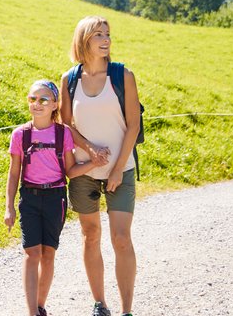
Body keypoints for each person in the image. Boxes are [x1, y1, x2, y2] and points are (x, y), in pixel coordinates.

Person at [4, 80, 107, 316]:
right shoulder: (20, 134)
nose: (37, 104)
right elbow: (13, 173)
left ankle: (40, 306)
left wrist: (93, 162)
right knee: (32, 254)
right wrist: (9, 207)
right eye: (32, 99)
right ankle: (32, 312)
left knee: (48, 254)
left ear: (54, 105)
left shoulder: (63, 133)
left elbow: (70, 171)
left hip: (56, 198)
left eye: (43, 100)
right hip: (29, 197)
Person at [60, 16, 140, 316]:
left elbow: (133, 125)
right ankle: (100, 304)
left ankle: (127, 310)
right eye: (98, 34)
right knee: (90, 236)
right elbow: (66, 125)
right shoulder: (69, 80)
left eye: (107, 34)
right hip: (84, 171)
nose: (105, 39)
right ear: (84, 40)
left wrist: (118, 167)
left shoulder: (123, 76)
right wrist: (90, 150)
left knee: (121, 238)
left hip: (122, 169)